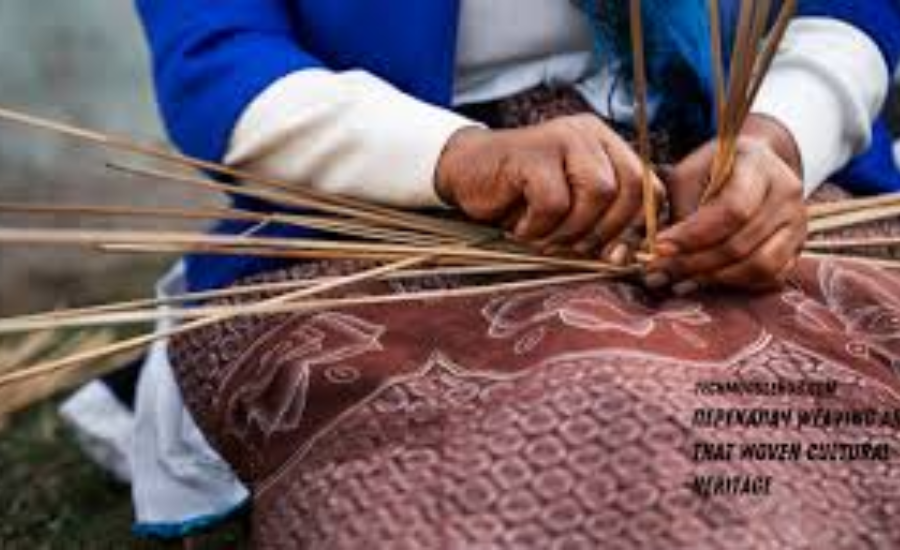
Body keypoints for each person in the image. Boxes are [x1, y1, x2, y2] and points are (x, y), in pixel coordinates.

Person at [126, 0, 900, 545]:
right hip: (391, 201)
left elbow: (852, 11)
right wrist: (462, 159)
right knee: (556, 417)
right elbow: (221, 59)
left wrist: (780, 141)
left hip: (709, 144)